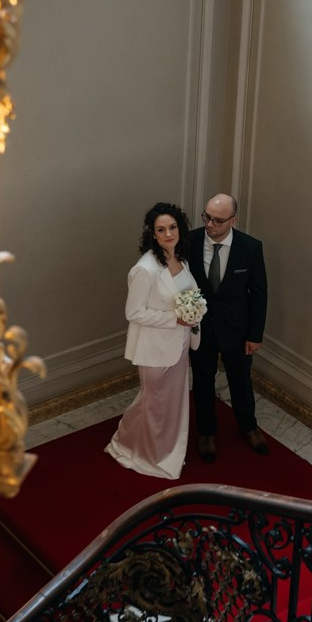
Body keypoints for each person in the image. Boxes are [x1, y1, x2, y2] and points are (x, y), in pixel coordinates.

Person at [105, 202, 200, 479]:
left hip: (180, 345)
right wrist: (176, 319)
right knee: (153, 402)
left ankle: (169, 447)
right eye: (161, 229)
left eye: (172, 227)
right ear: (152, 233)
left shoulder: (180, 258)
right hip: (156, 349)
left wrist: (193, 314)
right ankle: (142, 449)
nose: (168, 233)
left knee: (172, 402)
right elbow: (133, 312)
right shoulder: (144, 269)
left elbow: (187, 295)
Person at [188, 193, 268, 461]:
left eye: (218, 220)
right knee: (202, 381)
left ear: (233, 220)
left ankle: (249, 427)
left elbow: (259, 294)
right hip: (201, 329)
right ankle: (207, 432)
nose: (210, 224)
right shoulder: (191, 241)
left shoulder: (250, 247)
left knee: (241, 382)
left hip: (237, 330)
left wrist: (255, 335)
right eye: (207, 217)